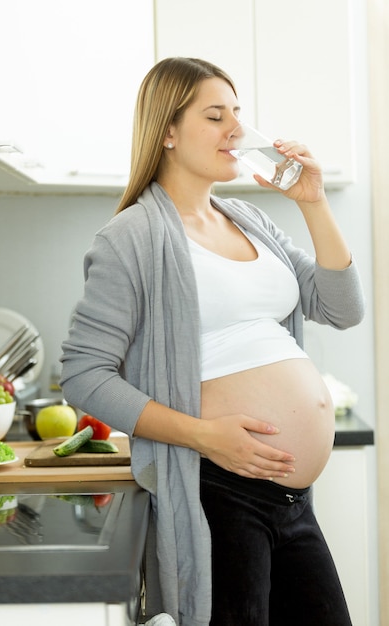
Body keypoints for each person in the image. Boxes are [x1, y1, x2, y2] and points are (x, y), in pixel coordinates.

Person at [60, 57, 365, 626]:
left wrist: (313, 202)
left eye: (238, 114)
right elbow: (84, 374)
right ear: (168, 131)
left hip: (292, 500)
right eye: (215, 115)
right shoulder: (133, 237)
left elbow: (342, 308)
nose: (236, 131)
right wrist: (206, 437)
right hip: (219, 491)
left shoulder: (249, 219)